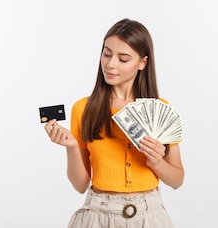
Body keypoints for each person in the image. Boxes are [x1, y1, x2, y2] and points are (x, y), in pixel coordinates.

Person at [43, 18, 184, 228]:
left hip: (150, 217)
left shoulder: (160, 109)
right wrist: (71, 147)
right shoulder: (83, 109)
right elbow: (80, 185)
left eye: (123, 59)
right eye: (106, 53)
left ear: (142, 63)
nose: (110, 64)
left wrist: (156, 162)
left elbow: (177, 180)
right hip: (98, 216)